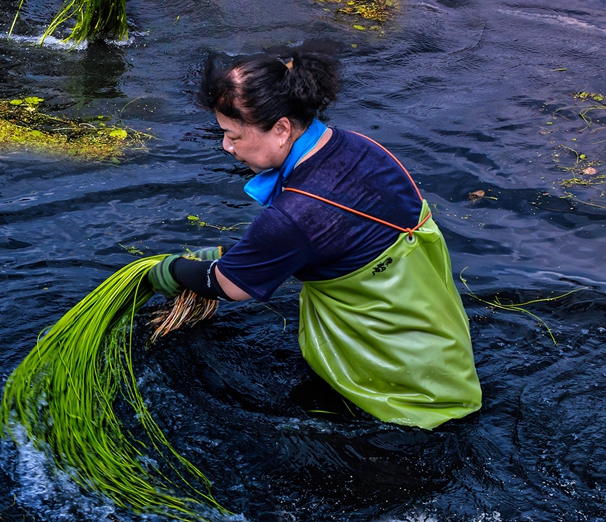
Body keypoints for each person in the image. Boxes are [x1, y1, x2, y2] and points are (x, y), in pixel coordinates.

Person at [153, 47, 481, 429]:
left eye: (232, 135)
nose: (227, 147)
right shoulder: (363, 148)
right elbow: (338, 238)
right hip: (442, 359)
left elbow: (231, 286)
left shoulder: (295, 216)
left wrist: (170, 271)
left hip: (395, 395)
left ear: (280, 129)